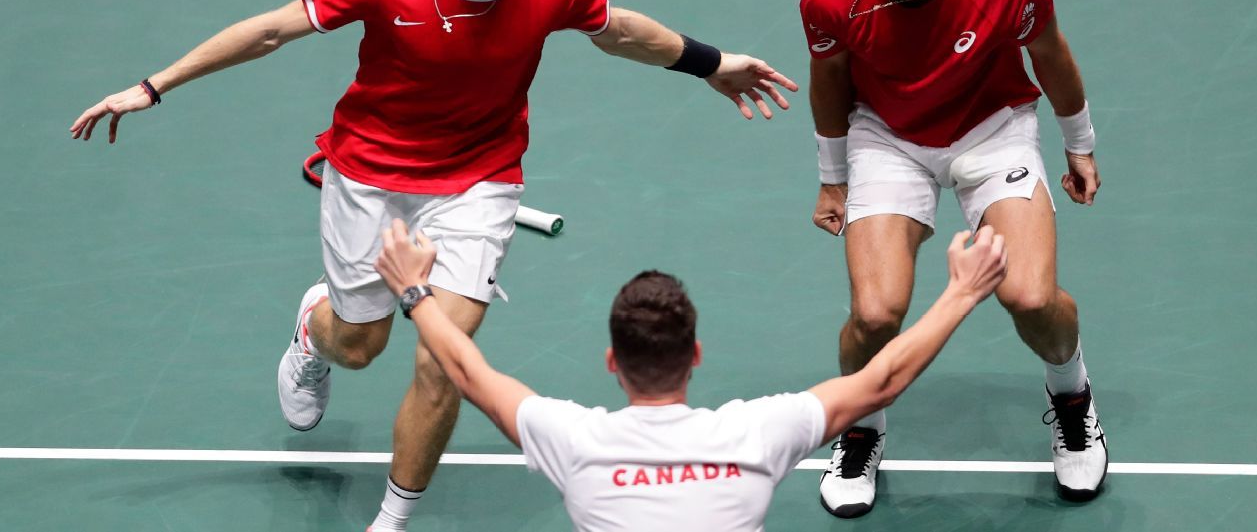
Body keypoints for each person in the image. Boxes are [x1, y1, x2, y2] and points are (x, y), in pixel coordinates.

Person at [68, 0, 798, 532]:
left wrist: (710, 62)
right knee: (359, 345)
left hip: (480, 177)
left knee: (442, 355)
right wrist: (152, 86)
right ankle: (313, 328)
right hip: (370, 171)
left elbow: (621, 31)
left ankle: (393, 517)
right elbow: (269, 32)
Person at [801, 0, 1108, 517]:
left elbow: (1050, 55)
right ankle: (861, 423)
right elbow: (828, 82)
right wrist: (833, 178)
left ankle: (1073, 395)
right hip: (887, 136)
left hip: (991, 128)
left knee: (1030, 297)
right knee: (876, 312)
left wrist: (1079, 144)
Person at [374, 218, 1008, 531]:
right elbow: (881, 382)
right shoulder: (757, 434)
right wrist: (961, 292)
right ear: (696, 354)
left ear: (612, 363)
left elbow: (464, 366)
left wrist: (413, 289)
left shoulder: (573, 441)